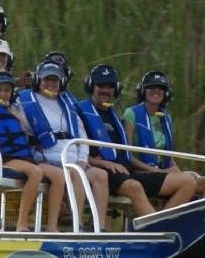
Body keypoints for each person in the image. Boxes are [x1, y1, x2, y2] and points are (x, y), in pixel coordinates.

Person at [17, 61, 126, 231]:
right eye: (47, 80)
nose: (51, 84)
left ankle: (99, 227)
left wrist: (83, 158)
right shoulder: (25, 100)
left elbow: (80, 134)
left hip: (71, 155)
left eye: (55, 81)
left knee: (100, 175)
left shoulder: (66, 104)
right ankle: (77, 226)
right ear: (38, 80)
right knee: (76, 173)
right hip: (45, 156)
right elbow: (24, 126)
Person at [74, 63, 176, 218]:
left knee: (187, 181)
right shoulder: (80, 112)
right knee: (135, 187)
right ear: (91, 87)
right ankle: (157, 227)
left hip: (123, 169)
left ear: (116, 90)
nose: (105, 90)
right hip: (103, 171)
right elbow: (76, 153)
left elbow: (126, 154)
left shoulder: (114, 115)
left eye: (110, 86)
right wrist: (104, 163)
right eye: (101, 85)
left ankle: (173, 224)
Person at [0, 71, 66, 232]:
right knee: (35, 172)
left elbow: (26, 133)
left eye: (7, 90)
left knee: (58, 175)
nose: (3, 94)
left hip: (22, 157)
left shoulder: (13, 110)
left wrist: (18, 118)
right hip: (1, 158)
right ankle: (21, 224)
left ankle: (52, 226)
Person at [126, 69, 205, 203]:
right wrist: (156, 171)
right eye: (151, 87)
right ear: (143, 91)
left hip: (163, 174)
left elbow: (166, 155)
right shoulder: (131, 114)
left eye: (160, 88)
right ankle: (163, 222)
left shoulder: (165, 117)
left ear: (166, 93)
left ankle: (198, 221)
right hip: (142, 174)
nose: (156, 91)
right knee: (187, 182)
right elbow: (127, 156)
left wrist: (176, 172)